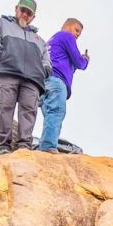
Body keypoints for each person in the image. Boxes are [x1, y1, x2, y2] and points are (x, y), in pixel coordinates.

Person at [0, 0, 52, 155]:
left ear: (33, 17)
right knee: (5, 107)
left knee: (28, 111)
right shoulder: (0, 23)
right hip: (8, 72)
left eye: (29, 13)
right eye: (23, 10)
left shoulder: (39, 40)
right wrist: (1, 54)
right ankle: (3, 146)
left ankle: (24, 147)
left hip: (33, 80)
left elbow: (46, 59)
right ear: (16, 9)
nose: (25, 15)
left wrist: (45, 70)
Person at [38, 19, 90, 153]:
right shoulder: (67, 36)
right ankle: (48, 147)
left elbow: (68, 64)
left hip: (44, 81)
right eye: (76, 30)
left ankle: (47, 143)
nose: (77, 35)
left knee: (50, 115)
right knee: (56, 112)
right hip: (56, 80)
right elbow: (79, 62)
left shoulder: (53, 40)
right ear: (67, 26)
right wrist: (85, 60)